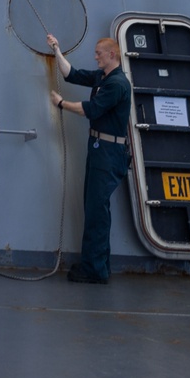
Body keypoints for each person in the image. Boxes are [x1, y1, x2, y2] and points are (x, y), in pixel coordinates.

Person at [48, 33, 131, 284]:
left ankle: (94, 269)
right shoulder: (102, 77)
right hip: (99, 148)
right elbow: (71, 74)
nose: (95, 57)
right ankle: (98, 264)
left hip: (108, 152)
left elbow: (91, 110)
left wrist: (61, 104)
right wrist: (56, 50)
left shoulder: (117, 84)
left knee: (96, 210)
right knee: (96, 207)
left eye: (98, 53)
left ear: (111, 55)